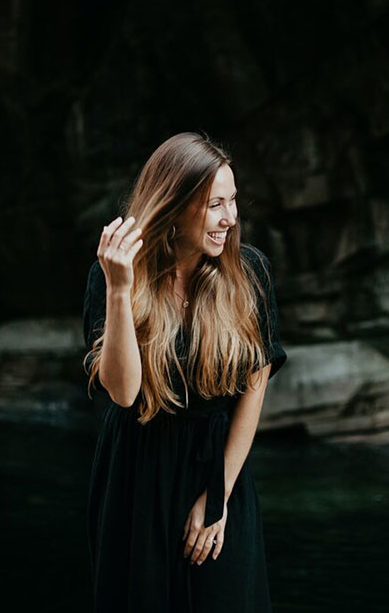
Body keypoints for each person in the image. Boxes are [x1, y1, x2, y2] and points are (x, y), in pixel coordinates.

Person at [82, 131, 287, 612]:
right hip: (136, 469)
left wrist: (217, 496)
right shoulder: (113, 274)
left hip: (217, 465)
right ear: (174, 207)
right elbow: (124, 392)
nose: (231, 219)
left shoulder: (249, 271)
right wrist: (118, 288)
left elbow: (254, 386)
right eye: (216, 204)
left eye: (233, 201)